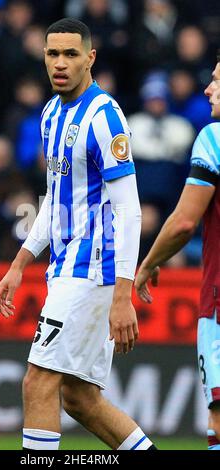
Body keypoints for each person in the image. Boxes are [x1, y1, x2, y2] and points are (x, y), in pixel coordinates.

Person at [0, 18, 157, 451]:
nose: (60, 63)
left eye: (70, 54)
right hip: (65, 267)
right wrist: (20, 263)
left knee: (38, 381)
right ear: (43, 57)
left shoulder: (105, 118)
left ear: (91, 58)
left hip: (94, 269)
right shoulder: (50, 113)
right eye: (52, 54)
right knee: (80, 398)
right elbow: (54, 201)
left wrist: (122, 293)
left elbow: (129, 209)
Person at [135, 53, 220, 451]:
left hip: (219, 302)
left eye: (218, 80)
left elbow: (185, 222)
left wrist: (149, 262)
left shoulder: (214, 137)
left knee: (219, 418)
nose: (208, 88)